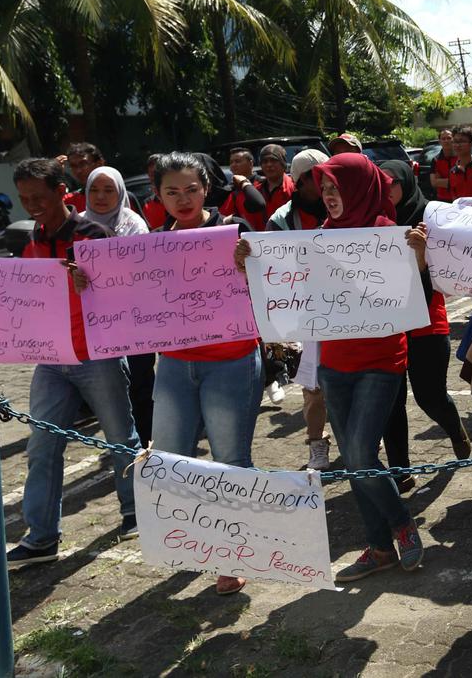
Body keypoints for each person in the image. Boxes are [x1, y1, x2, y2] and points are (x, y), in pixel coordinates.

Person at [276, 153, 424, 581]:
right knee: (359, 460)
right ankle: (379, 548)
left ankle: (402, 525)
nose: (328, 195)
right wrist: (253, 262)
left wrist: (417, 257)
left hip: (381, 361)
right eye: (324, 188)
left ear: (360, 188)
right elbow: (290, 285)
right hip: (335, 364)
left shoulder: (386, 232)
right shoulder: (319, 236)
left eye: (336, 188)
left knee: (358, 454)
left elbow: (409, 287)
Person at [130, 152, 260, 596]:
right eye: (172, 192)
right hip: (173, 364)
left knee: (230, 459)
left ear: (206, 189)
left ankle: (234, 553)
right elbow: (128, 296)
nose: (183, 199)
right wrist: (88, 284)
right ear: (158, 196)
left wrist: (251, 264)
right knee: (170, 458)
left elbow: (271, 284)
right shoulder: (152, 244)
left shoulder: (235, 231)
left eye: (191, 189)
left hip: (231, 360)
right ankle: (194, 539)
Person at [5, 158, 143, 569]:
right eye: (25, 198)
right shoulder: (30, 239)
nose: (32, 205)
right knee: (41, 446)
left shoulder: (93, 234)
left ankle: (136, 512)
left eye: (39, 197)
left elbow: (124, 292)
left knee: (121, 437)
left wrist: (90, 283)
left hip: (97, 355)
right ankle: (41, 537)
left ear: (62, 192)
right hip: (51, 360)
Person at [381, 158, 472, 495]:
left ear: (406, 181)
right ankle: (400, 471)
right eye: (382, 183)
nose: (388, 189)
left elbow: (440, 280)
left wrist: (421, 258)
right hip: (388, 326)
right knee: (391, 402)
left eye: (393, 182)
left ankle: (454, 428)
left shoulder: (430, 220)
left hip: (426, 324)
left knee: (429, 397)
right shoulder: (371, 223)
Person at [266, 149, 332, 470]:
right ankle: (317, 444)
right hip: (305, 312)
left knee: (350, 381)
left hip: (346, 309)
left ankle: (358, 439)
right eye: (318, 177)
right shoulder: (280, 221)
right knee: (313, 387)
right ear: (301, 181)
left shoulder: (343, 208)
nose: (326, 183)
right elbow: (272, 270)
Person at [83, 166, 156, 446]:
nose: (101, 196)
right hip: (96, 324)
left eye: (108, 190)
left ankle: (147, 445)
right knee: (111, 389)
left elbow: (142, 268)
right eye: (94, 190)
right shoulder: (77, 225)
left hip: (135, 321)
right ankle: (123, 444)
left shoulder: (134, 225)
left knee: (140, 384)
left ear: (120, 192)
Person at [200, 152, 267, 233]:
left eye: (237, 161)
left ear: (251, 163)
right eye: (231, 162)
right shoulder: (227, 190)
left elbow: (259, 204)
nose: (233, 165)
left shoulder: (264, 184)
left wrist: (244, 183)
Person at [256, 144, 295, 229]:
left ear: (283, 163)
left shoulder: (294, 189)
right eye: (265, 161)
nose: (269, 164)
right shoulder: (255, 192)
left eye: (273, 160)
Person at [62, 142, 106, 210]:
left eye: (83, 164)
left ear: (99, 164)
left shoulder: (119, 194)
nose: (78, 171)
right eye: (73, 166)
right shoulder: (69, 202)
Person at [141, 154, 168, 229]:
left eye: (159, 173)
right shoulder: (147, 204)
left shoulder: (183, 200)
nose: (156, 178)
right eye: (152, 174)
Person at [429, 128, 456, 201]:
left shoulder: (460, 157)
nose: (446, 141)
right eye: (443, 139)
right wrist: (457, 180)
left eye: (449, 138)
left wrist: (441, 181)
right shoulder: (435, 160)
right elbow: (434, 182)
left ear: (453, 140)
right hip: (443, 199)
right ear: (440, 142)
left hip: (459, 198)